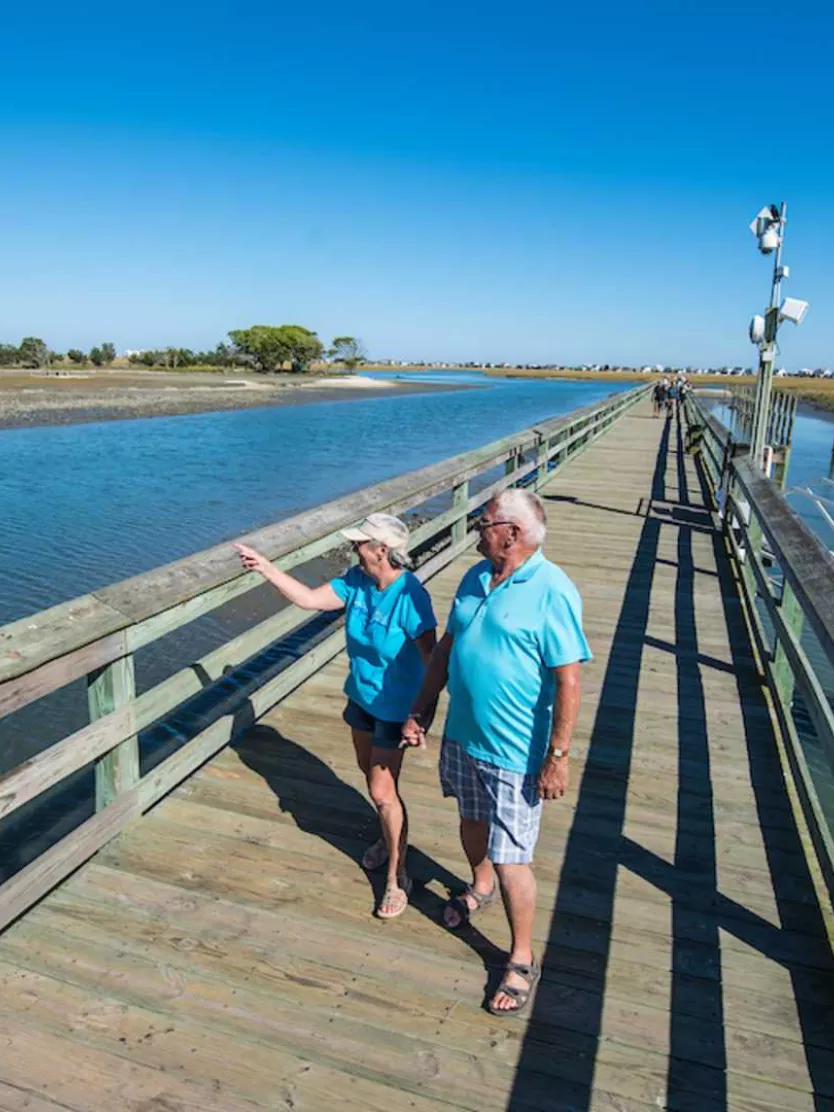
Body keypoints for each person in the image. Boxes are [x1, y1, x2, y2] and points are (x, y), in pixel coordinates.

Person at [401, 489, 590, 1017]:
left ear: (513, 532)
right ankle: (477, 884)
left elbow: (568, 677)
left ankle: (521, 956)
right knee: (470, 822)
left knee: (513, 861)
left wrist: (559, 754)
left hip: (516, 750)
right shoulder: (475, 577)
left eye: (483, 522)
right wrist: (424, 707)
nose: (476, 530)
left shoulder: (552, 589)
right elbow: (447, 647)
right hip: (464, 734)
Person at [235, 513, 437, 919]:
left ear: (382, 550)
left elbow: (433, 662)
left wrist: (421, 715)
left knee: (382, 792)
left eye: (361, 543)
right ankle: (387, 838)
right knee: (374, 781)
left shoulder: (411, 597)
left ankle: (399, 877)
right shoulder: (357, 581)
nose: (353, 548)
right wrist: (267, 568)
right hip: (360, 698)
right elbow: (310, 600)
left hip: (396, 709)